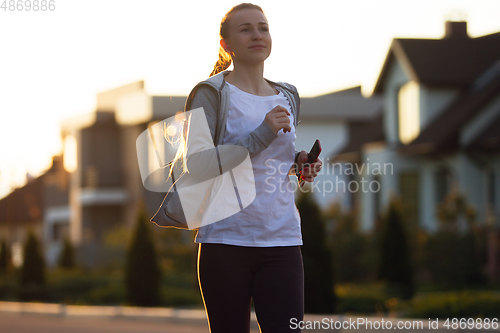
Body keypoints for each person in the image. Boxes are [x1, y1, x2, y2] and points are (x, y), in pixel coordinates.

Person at [184, 3, 322, 332]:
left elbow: (270, 165)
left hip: (282, 241)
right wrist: (261, 133)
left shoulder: (288, 95)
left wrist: (300, 166)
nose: (257, 34)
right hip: (225, 241)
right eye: (245, 29)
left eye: (263, 27)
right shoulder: (210, 93)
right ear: (226, 44)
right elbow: (198, 164)